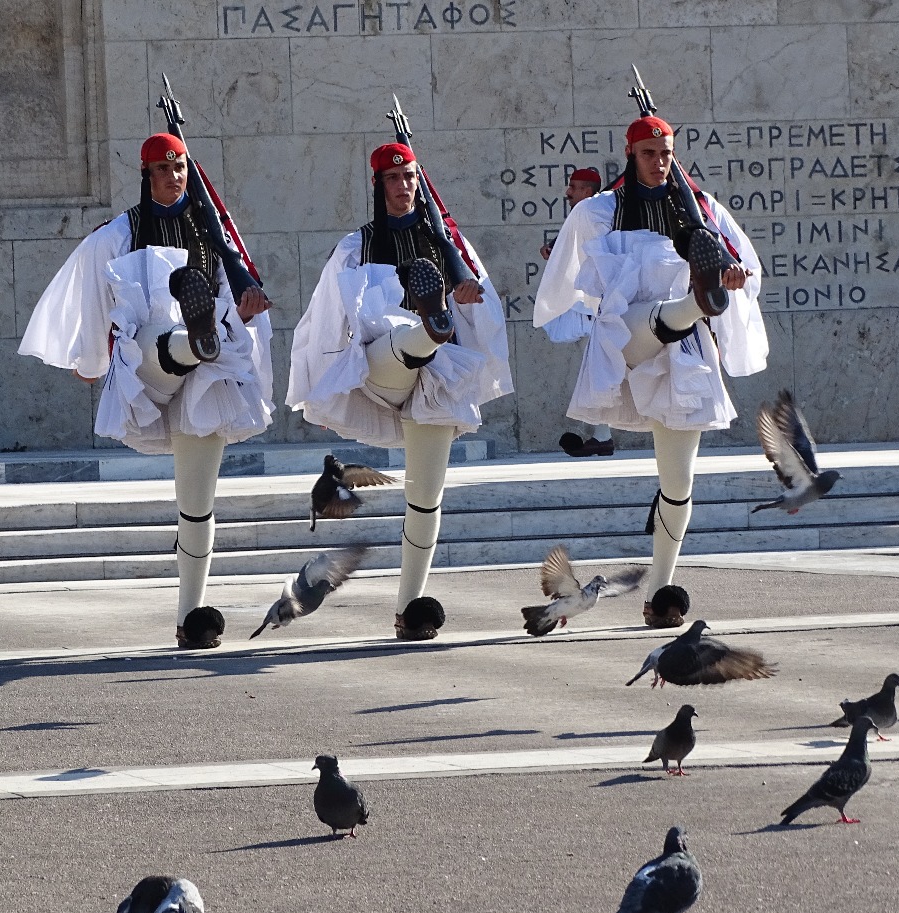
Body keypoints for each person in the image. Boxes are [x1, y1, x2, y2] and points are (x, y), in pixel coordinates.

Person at [19, 132, 275, 649]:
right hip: (146, 366)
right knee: (162, 338)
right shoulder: (118, 234)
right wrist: (89, 359)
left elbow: (242, 300)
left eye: (179, 167)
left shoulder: (215, 234)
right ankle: (189, 336)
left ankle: (192, 615)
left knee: (197, 503)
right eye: (162, 169)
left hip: (211, 371)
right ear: (145, 175)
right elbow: (94, 293)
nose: (173, 176)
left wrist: (243, 315)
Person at [533, 114, 768, 628]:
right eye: (648, 153)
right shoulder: (603, 210)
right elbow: (566, 275)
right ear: (630, 153)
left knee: (678, 482)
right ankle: (694, 301)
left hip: (684, 354)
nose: (659, 162)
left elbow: (748, 269)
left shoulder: (702, 208)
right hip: (630, 335)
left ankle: (660, 592)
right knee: (664, 314)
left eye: (666, 153)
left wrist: (732, 278)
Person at [289, 142, 511, 640]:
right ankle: (427, 325)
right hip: (380, 368)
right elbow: (322, 321)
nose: (403, 186)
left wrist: (469, 296)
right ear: (378, 185)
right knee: (402, 342)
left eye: (410, 177)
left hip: (437, 377)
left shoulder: (448, 242)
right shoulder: (357, 246)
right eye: (393, 179)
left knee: (426, 497)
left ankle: (410, 610)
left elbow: (486, 314)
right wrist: (324, 393)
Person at [537, 166, 614, 458]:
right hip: (598, 303)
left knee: (610, 370)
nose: (568, 193)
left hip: (609, 302)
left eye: (574, 187)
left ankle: (604, 435)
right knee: (599, 368)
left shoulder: (599, 213)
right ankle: (602, 435)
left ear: (588, 190)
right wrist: (556, 248)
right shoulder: (587, 215)